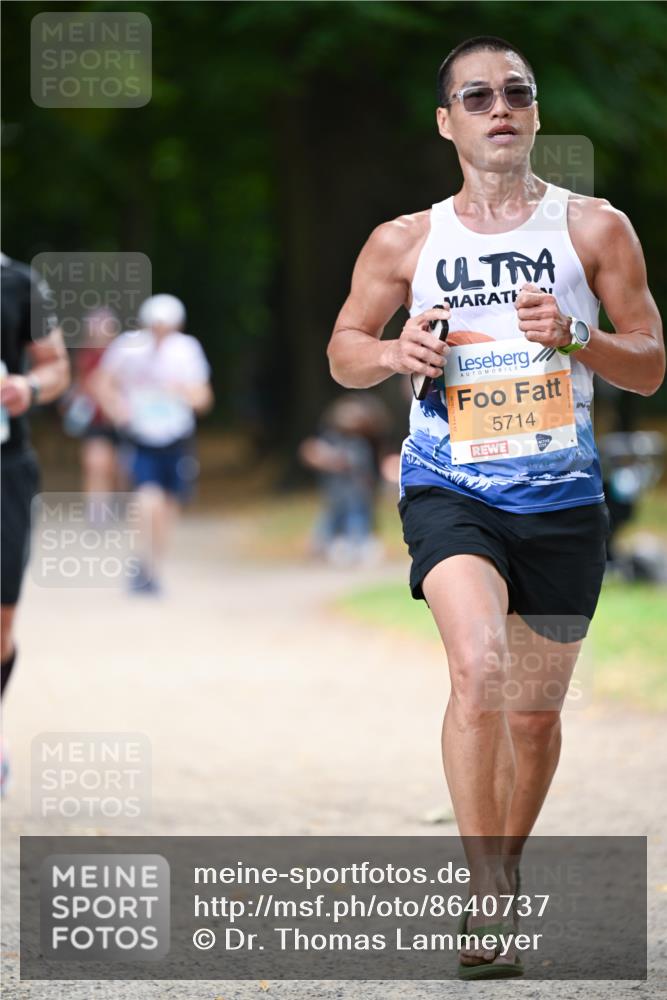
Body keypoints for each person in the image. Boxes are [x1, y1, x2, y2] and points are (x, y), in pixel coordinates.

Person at [327, 36, 664, 978]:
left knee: (531, 718)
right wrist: (396, 355)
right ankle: (482, 895)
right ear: (448, 122)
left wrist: (581, 338)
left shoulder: (595, 230)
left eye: (516, 91)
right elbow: (344, 346)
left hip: (561, 502)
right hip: (451, 489)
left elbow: (649, 365)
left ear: (536, 114)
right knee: (477, 670)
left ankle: (504, 866)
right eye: (476, 95)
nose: (499, 105)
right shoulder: (406, 241)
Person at [1, 253, 70, 788]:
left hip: (5, 464)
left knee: (1, 621)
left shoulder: (20, 284)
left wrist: (29, 389)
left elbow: (55, 365)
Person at [92, 293, 213, 594]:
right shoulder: (128, 347)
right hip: (141, 437)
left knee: (169, 507)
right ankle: (142, 561)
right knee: (147, 499)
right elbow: (101, 382)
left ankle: (154, 564)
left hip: (176, 437)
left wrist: (184, 393)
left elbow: (203, 398)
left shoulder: (187, 350)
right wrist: (117, 408)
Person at [298, 393, 389, 565]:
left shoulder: (361, 445)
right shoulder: (331, 438)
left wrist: (328, 459)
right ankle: (324, 547)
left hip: (358, 494)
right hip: (336, 493)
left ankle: (358, 547)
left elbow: (350, 464)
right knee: (331, 520)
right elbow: (310, 452)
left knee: (358, 519)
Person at [62, 307, 123, 516]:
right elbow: (81, 385)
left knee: (117, 468)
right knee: (95, 464)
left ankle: (114, 506)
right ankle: (97, 511)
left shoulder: (123, 353)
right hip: (96, 420)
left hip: (121, 420)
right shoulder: (84, 356)